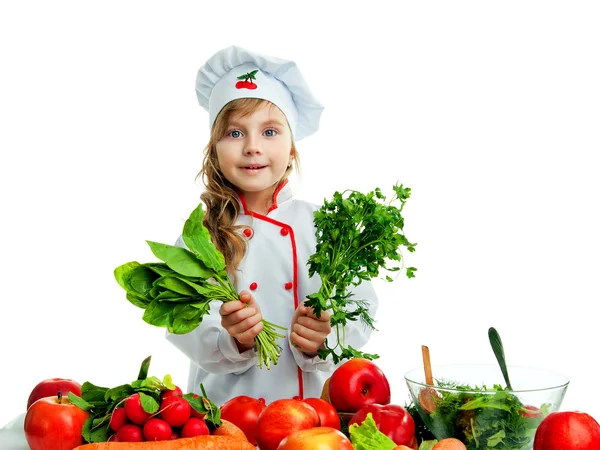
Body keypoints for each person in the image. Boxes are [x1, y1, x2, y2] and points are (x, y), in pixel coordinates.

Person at [166, 45, 379, 406]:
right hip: (225, 421)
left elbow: (362, 310)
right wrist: (232, 340)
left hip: (315, 420)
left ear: (292, 147)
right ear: (214, 148)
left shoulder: (326, 228)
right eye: (235, 133)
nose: (252, 147)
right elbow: (181, 323)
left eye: (269, 132)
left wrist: (326, 337)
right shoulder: (200, 236)